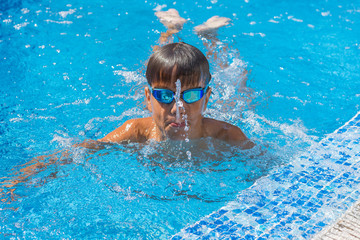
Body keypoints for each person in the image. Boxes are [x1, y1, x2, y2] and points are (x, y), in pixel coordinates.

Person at [99, 9, 253, 148]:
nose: (178, 109)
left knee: (238, 91)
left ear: (206, 99)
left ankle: (211, 36)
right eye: (165, 96)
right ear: (148, 98)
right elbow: (86, 149)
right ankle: (171, 28)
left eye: (191, 95)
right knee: (160, 64)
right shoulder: (135, 131)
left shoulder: (226, 135)